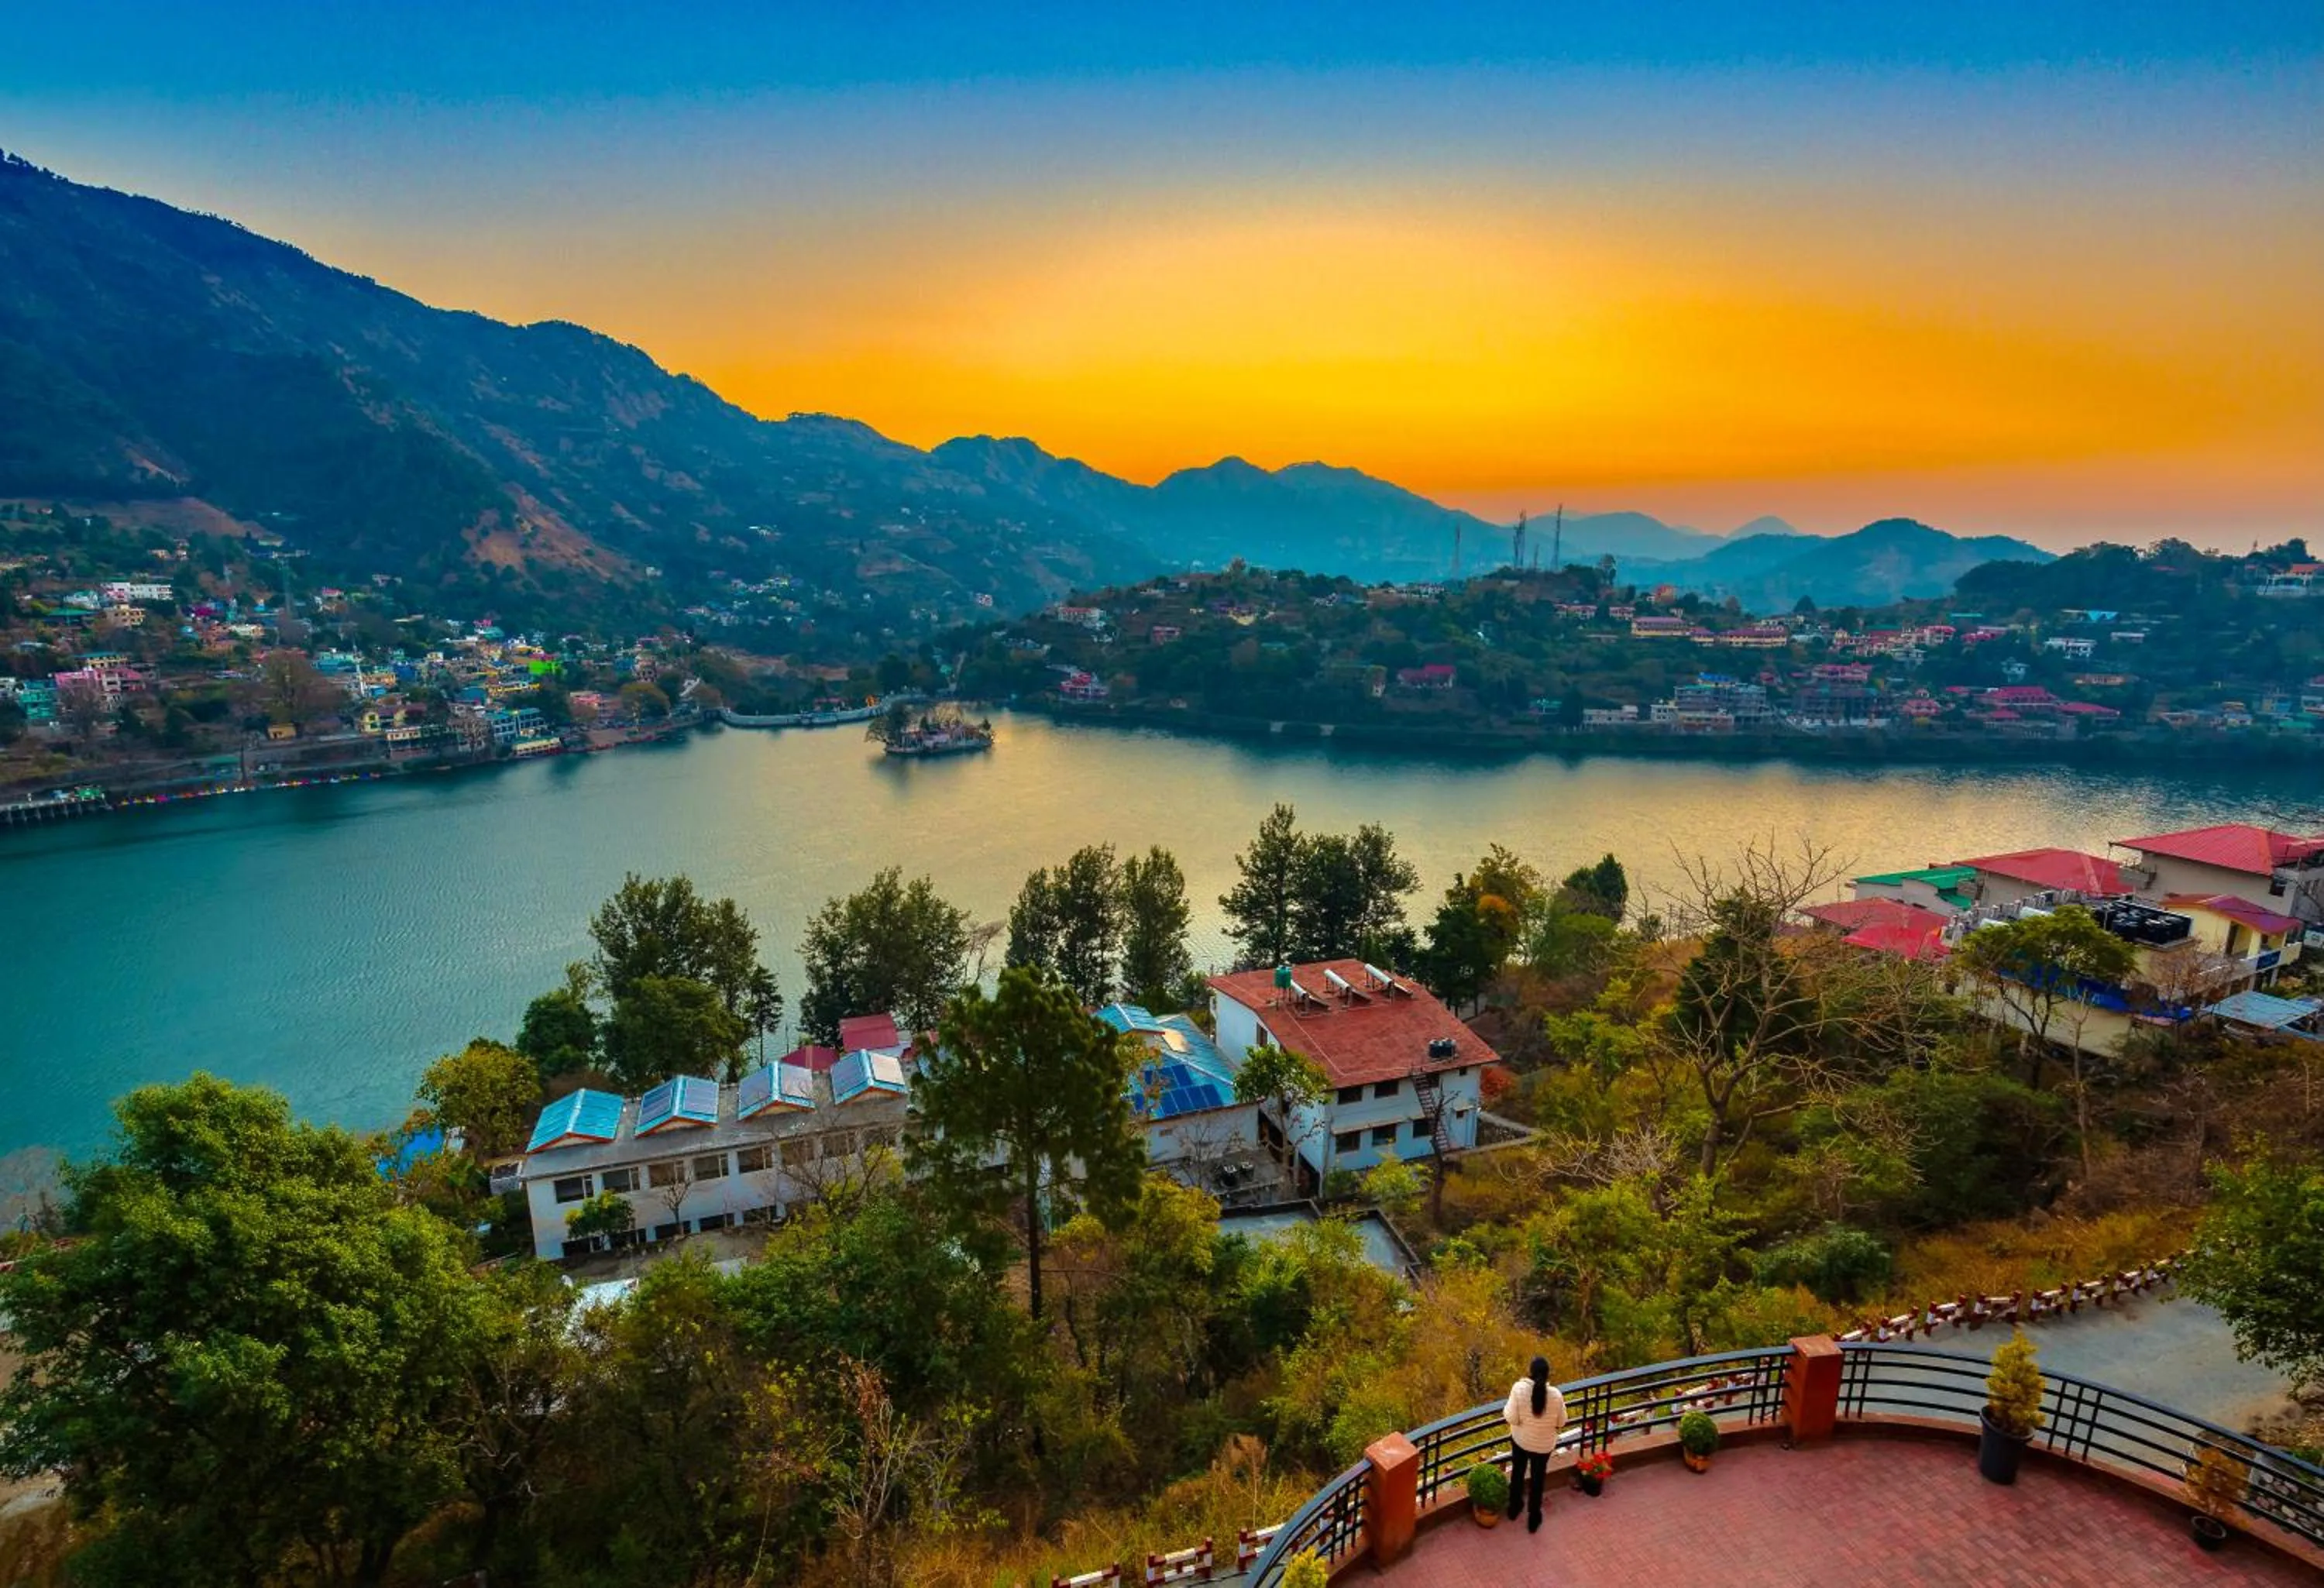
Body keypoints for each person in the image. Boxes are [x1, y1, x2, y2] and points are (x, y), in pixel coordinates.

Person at [1501, 1353, 1566, 1532]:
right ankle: (1534, 1518)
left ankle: (1514, 1508)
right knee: (1538, 1480)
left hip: (1521, 1441)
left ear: (1530, 1371)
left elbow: (1512, 1417)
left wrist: (1505, 1410)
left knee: (1518, 1473)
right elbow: (1561, 1422)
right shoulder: (1556, 1395)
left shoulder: (1519, 1388)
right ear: (1547, 1374)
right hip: (1543, 1446)